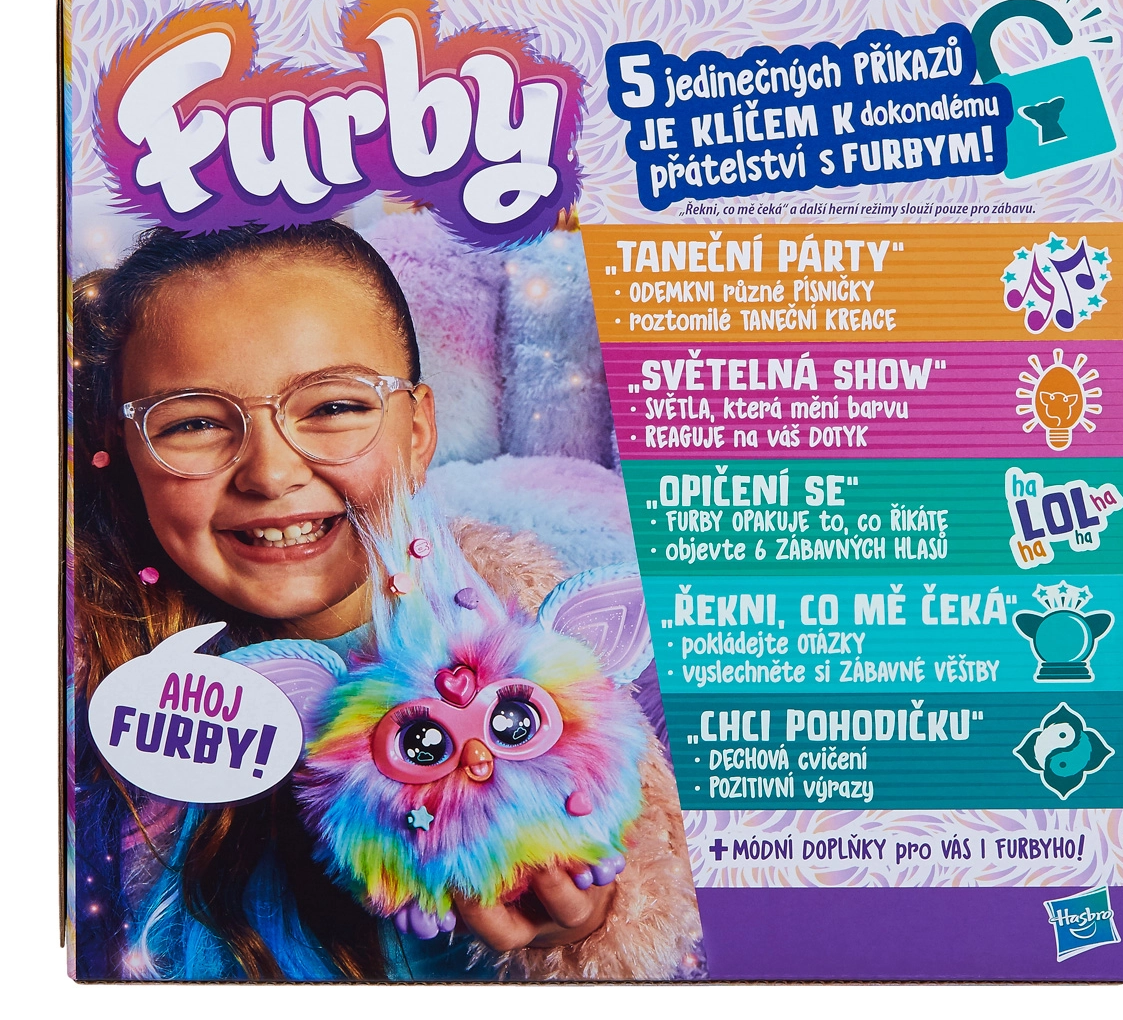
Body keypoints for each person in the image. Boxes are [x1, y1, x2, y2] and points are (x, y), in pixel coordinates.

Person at [72, 220, 701, 981]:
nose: (270, 474)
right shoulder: (91, 670)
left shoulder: (532, 627)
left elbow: (659, 869)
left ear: (419, 429)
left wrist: (588, 928)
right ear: (124, 450)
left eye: (335, 408)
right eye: (194, 423)